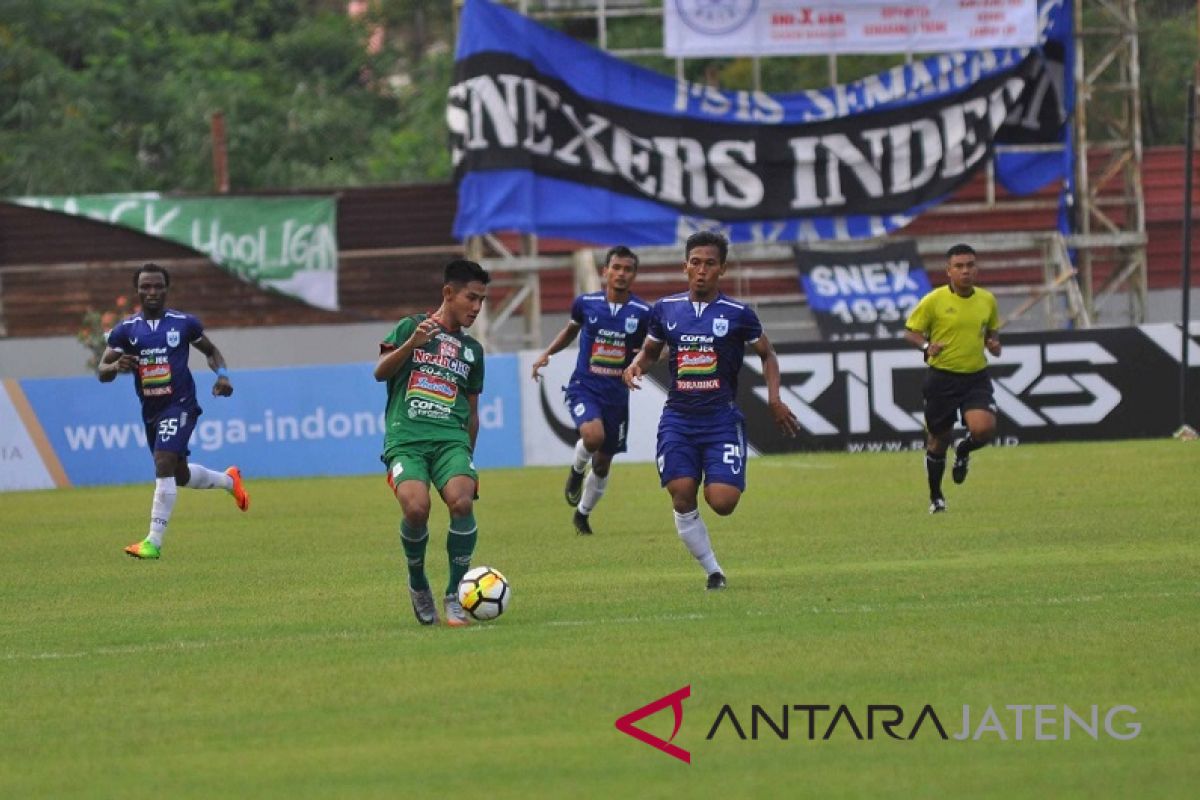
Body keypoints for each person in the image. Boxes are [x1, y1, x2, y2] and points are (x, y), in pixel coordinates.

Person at [623, 231, 800, 590]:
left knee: (722, 502)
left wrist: (775, 399)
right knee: (681, 492)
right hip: (678, 418)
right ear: (685, 266)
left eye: (709, 263)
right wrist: (636, 364)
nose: (701, 270)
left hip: (720, 418)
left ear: (722, 269)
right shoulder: (666, 310)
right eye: (695, 262)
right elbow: (652, 350)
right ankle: (713, 571)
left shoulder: (738, 314)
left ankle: (715, 487)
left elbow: (768, 354)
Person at [99, 263, 250, 560]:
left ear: (166, 289)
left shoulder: (183, 323)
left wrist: (222, 375)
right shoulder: (126, 330)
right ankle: (229, 481)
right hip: (151, 409)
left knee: (163, 462)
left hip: (180, 403)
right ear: (138, 290)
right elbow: (103, 369)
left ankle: (153, 542)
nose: (152, 292)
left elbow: (211, 351)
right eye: (146, 286)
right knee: (178, 474)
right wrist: (115, 366)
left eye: (158, 286)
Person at [375, 259, 491, 627]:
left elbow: (472, 412)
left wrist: (468, 462)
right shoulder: (412, 326)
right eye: (471, 298)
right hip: (406, 440)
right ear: (448, 293)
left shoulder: (472, 351)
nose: (476, 307)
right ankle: (417, 581)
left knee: (460, 499)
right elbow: (380, 373)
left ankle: (456, 594)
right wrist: (412, 344)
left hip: (450, 442)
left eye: (481, 301)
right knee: (416, 509)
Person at [530, 246, 650, 535]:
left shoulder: (644, 312)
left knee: (604, 463)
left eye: (627, 269)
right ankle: (575, 470)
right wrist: (547, 353)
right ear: (605, 272)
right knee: (593, 436)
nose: (621, 274)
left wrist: (638, 365)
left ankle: (582, 514)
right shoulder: (586, 303)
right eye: (616, 268)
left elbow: (653, 349)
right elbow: (571, 330)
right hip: (585, 386)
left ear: (634, 275)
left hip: (617, 396)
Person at [903, 243, 1002, 514]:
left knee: (983, 429)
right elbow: (910, 332)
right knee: (938, 440)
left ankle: (964, 450)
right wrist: (926, 347)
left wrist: (994, 345)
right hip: (942, 378)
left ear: (976, 268)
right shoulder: (934, 300)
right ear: (948, 271)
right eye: (959, 266)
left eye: (970, 265)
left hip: (975, 377)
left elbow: (991, 333)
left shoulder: (987, 300)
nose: (965, 271)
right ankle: (936, 496)